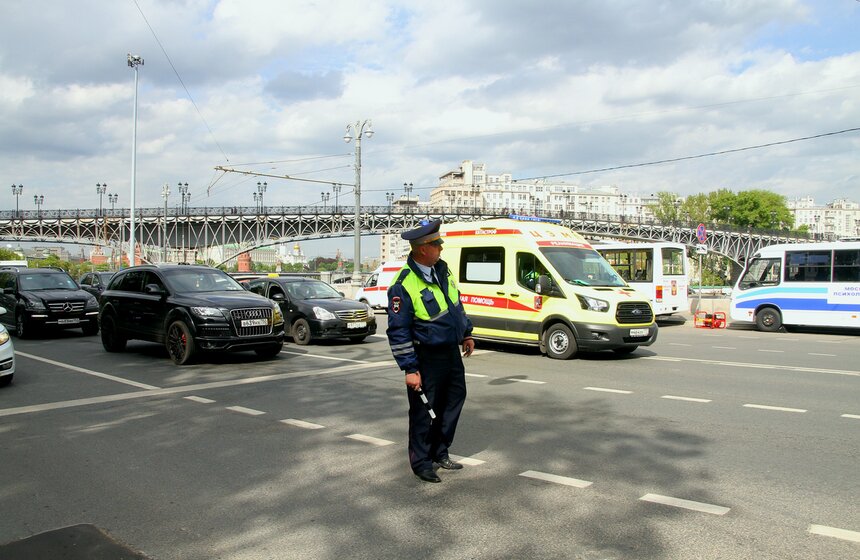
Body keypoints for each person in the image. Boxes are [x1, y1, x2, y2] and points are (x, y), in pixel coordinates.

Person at [387, 219, 475, 483]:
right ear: (423, 248)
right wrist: (409, 368)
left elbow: (455, 305)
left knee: (452, 401)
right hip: (424, 357)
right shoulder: (403, 283)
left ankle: (440, 451)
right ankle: (422, 462)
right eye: (437, 244)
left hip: (450, 352)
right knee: (424, 411)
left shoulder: (442, 271)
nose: (441, 248)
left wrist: (466, 332)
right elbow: (398, 330)